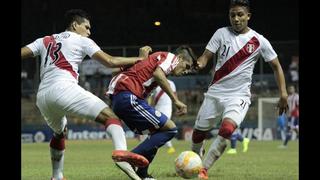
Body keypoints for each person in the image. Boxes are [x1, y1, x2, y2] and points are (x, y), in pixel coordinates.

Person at [21, 9, 151, 180]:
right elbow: (110, 61)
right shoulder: (82, 40)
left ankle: (57, 176)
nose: (89, 32)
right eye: (87, 27)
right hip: (64, 88)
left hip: (43, 97)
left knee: (60, 132)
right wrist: (140, 59)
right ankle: (122, 153)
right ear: (75, 25)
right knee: (110, 116)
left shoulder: (45, 40)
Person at [189, 1, 288, 179]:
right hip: (214, 94)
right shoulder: (221, 33)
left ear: (248, 16)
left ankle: (203, 170)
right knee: (198, 134)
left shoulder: (259, 40)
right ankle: (194, 162)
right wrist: (198, 64)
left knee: (227, 129)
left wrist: (283, 94)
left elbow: (276, 66)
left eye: (240, 14)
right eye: (232, 15)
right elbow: (205, 57)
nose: (236, 18)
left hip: (238, 96)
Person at [107, 45, 197, 180]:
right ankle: (127, 158)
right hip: (128, 96)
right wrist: (176, 100)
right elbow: (158, 74)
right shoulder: (170, 58)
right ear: (180, 58)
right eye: (187, 66)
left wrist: (140, 60)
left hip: (122, 98)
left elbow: (115, 71)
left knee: (156, 134)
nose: (186, 71)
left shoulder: (151, 63)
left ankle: (142, 174)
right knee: (170, 129)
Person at [139, 79, 177, 154]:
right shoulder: (171, 83)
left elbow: (152, 98)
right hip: (166, 109)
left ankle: (148, 142)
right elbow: (175, 96)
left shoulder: (156, 82)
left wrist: (150, 106)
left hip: (162, 108)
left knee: (159, 128)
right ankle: (164, 146)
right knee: (162, 128)